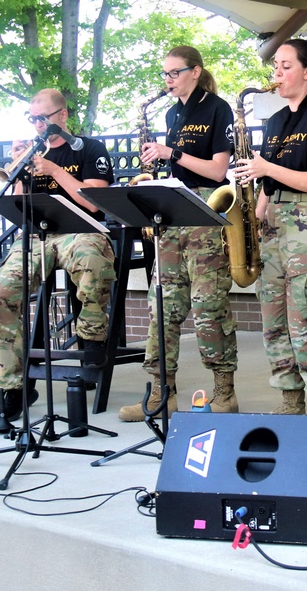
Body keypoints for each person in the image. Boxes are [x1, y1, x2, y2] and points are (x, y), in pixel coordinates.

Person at [118, 46, 239, 421]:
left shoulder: (218, 109)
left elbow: (219, 171)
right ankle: (160, 392)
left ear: (195, 72)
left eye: (174, 73)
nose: (167, 80)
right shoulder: (173, 113)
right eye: (165, 74)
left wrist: (172, 153)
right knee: (162, 306)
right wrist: (158, 162)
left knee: (208, 306)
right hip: (172, 211)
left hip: (205, 210)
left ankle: (224, 391)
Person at [0, 88, 116, 420]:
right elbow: (18, 207)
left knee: (92, 260)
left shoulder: (89, 149)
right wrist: (18, 171)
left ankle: (91, 340)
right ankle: (12, 387)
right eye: (32, 119)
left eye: (42, 118)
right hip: (39, 236)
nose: (37, 125)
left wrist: (56, 171)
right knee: (2, 290)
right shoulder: (32, 154)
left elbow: (95, 203)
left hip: (82, 231)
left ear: (62, 116)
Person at [234, 38, 307, 415]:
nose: (276, 74)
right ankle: (289, 402)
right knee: (274, 321)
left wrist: (267, 168)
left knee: (306, 320)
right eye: (275, 67)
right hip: (276, 225)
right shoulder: (279, 119)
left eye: (285, 66)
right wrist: (253, 222)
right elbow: (267, 183)